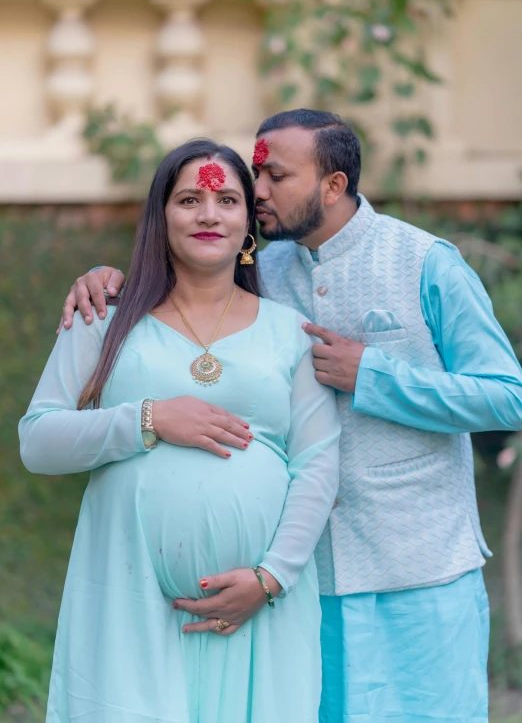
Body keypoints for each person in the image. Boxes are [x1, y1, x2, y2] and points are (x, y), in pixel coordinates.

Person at [60, 109, 522, 723]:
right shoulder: (263, 271)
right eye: (256, 174)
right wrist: (104, 278)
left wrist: (376, 378)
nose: (257, 193)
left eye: (275, 175)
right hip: (306, 580)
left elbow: (506, 395)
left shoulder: (424, 262)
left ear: (332, 185)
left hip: (420, 569)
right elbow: (178, 292)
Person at [19, 138, 341, 723]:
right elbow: (38, 440)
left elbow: (318, 462)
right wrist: (149, 419)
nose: (209, 214)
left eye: (227, 200)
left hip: (260, 609)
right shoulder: (105, 320)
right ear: (160, 217)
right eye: (189, 199)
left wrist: (271, 579)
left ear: (249, 223)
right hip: (127, 598)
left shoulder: (291, 331)